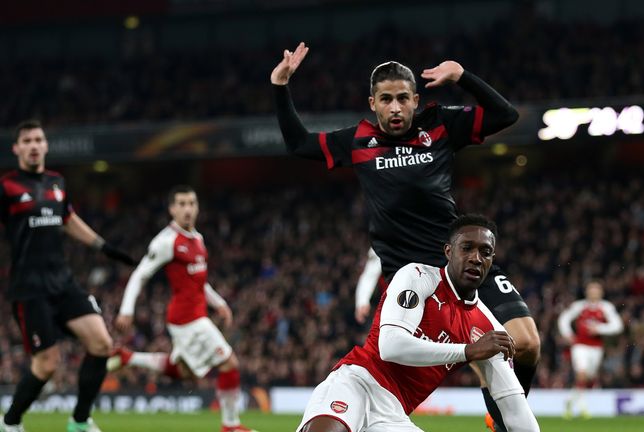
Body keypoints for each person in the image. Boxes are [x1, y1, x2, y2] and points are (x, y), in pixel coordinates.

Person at [272, 42, 540, 430]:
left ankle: (499, 419)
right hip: (410, 272)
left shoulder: (441, 125)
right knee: (403, 355)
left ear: (416, 100)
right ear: (372, 103)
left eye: (402, 98)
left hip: (459, 264)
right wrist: (280, 87)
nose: (395, 108)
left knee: (527, 343)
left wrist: (463, 77)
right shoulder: (359, 141)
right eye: (385, 99)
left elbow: (505, 114)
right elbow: (300, 143)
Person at [298, 215, 539, 432]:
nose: (476, 258)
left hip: (393, 415)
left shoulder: (488, 330)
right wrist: (467, 351)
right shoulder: (417, 277)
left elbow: (516, 410)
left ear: (492, 260)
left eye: (485, 252)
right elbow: (391, 346)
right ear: (449, 251)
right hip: (358, 382)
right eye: (467, 248)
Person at [0, 120, 136, 432]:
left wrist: (104, 247)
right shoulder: (7, 187)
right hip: (29, 288)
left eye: (38, 140)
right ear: (17, 148)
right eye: (27, 141)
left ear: (45, 146)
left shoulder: (57, 182)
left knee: (102, 344)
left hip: (63, 281)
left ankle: (78, 421)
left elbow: (68, 219)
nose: (34, 145)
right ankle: (10, 423)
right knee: (46, 365)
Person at [110, 185, 254, 432]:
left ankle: (128, 357)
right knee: (230, 363)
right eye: (182, 204)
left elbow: (200, 281)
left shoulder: (197, 238)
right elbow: (139, 275)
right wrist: (127, 310)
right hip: (187, 319)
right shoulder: (166, 241)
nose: (188, 209)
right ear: (172, 209)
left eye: (192, 203)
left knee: (185, 373)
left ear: (197, 207)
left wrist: (219, 303)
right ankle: (231, 426)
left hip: (196, 315)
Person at [557, 280, 624, 419]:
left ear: (601, 292)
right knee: (581, 374)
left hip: (597, 348)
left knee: (589, 378)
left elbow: (618, 326)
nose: (593, 292)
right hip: (580, 345)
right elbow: (564, 319)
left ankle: (569, 401)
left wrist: (599, 328)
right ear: (587, 292)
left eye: (596, 290)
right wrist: (568, 334)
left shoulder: (606, 307)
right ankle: (583, 407)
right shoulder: (579, 306)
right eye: (591, 290)